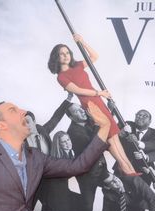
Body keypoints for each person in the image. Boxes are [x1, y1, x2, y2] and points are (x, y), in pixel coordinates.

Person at [48, 33, 139, 176]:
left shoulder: (77, 65)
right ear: (56, 58)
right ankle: (126, 168)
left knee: (114, 136)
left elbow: (95, 56)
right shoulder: (61, 77)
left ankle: (128, 168)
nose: (66, 56)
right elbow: (78, 90)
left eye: (67, 52)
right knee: (110, 137)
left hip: (99, 102)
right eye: (61, 54)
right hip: (91, 105)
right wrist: (100, 93)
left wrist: (82, 41)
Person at [66, 103, 109, 211]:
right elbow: (95, 145)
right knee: (87, 206)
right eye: (76, 111)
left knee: (115, 191)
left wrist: (110, 109)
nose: (81, 111)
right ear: (71, 117)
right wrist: (96, 122)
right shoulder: (73, 132)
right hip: (87, 175)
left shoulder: (89, 121)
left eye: (80, 108)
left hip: (100, 169)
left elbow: (106, 120)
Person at [41, 131, 82, 211]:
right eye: (64, 142)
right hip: (57, 195)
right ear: (59, 145)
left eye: (68, 139)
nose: (68, 143)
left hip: (65, 191)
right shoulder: (60, 160)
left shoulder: (71, 154)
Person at [116, 109, 155, 185]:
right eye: (138, 115)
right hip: (122, 168)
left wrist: (146, 156)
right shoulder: (126, 124)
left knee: (140, 196)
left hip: (145, 171)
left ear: (150, 121)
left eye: (144, 116)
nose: (140, 117)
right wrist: (120, 134)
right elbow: (112, 135)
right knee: (115, 194)